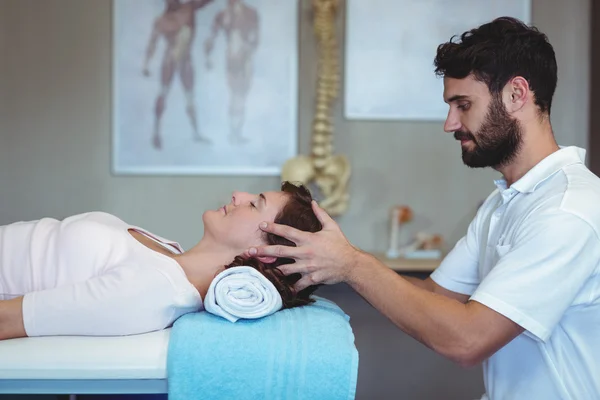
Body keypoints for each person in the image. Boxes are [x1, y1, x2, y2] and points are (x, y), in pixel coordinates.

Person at [247, 17, 600, 399]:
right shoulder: (505, 202)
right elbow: (435, 296)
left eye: (463, 105)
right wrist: (334, 264)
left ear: (517, 94)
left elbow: (468, 340)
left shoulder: (568, 210)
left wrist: (351, 264)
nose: (450, 124)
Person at [0, 182, 322, 341]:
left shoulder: (155, 289)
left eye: (255, 204)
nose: (238, 195)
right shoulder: (168, 253)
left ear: (265, 253)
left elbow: (10, 320)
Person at [142, 0, 214, 149]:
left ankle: (195, 133)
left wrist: (146, 64)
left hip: (184, 61)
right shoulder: (162, 20)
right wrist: (146, 64)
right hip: (171, 61)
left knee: (189, 98)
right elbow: (152, 43)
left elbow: (205, 2)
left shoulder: (188, 9)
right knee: (164, 94)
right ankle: (156, 133)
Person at [204, 0, 259, 143]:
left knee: (242, 95)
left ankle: (237, 132)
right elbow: (211, 38)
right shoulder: (223, 15)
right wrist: (207, 56)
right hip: (232, 58)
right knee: (236, 94)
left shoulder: (251, 13)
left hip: (245, 58)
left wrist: (246, 48)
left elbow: (255, 39)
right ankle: (234, 132)